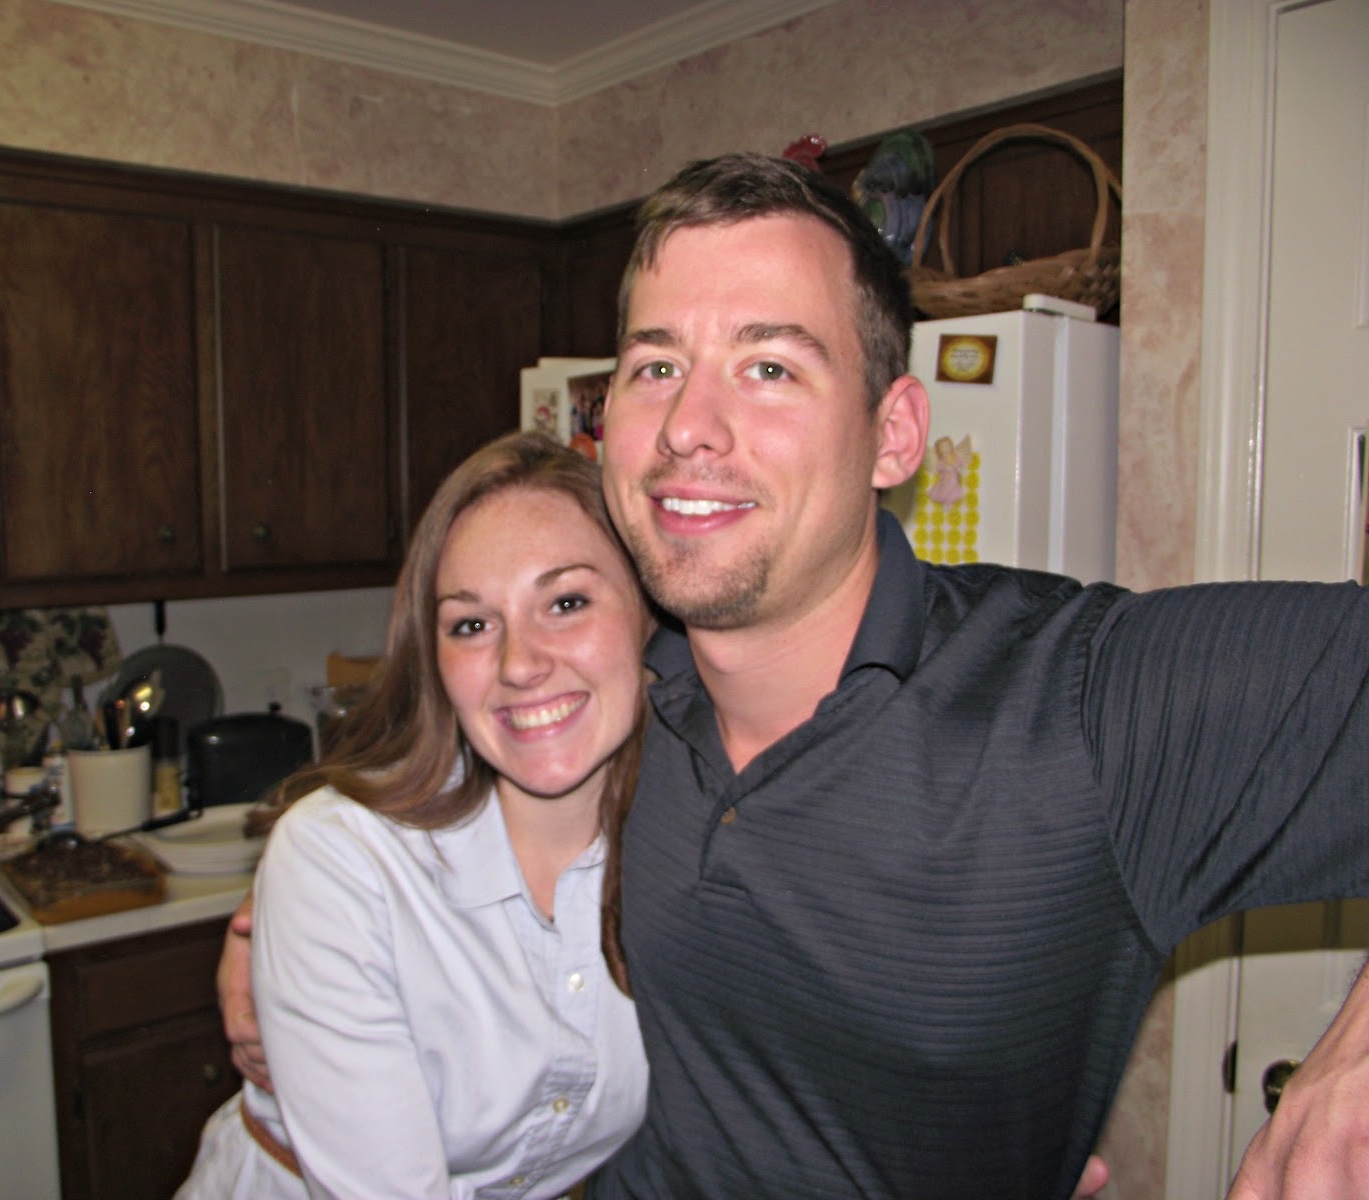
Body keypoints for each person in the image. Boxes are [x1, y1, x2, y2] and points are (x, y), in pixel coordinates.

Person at [222, 152, 1369, 1198]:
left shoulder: (1084, 706)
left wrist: (1354, 1060)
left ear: (894, 434)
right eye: (656, 365)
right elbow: (450, 797)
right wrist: (283, 930)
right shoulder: (625, 690)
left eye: (768, 366)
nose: (689, 425)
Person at [179, 432, 652, 1198]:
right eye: (471, 624)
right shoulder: (346, 863)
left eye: (567, 603)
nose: (520, 664)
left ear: (650, 615)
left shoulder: (696, 844)